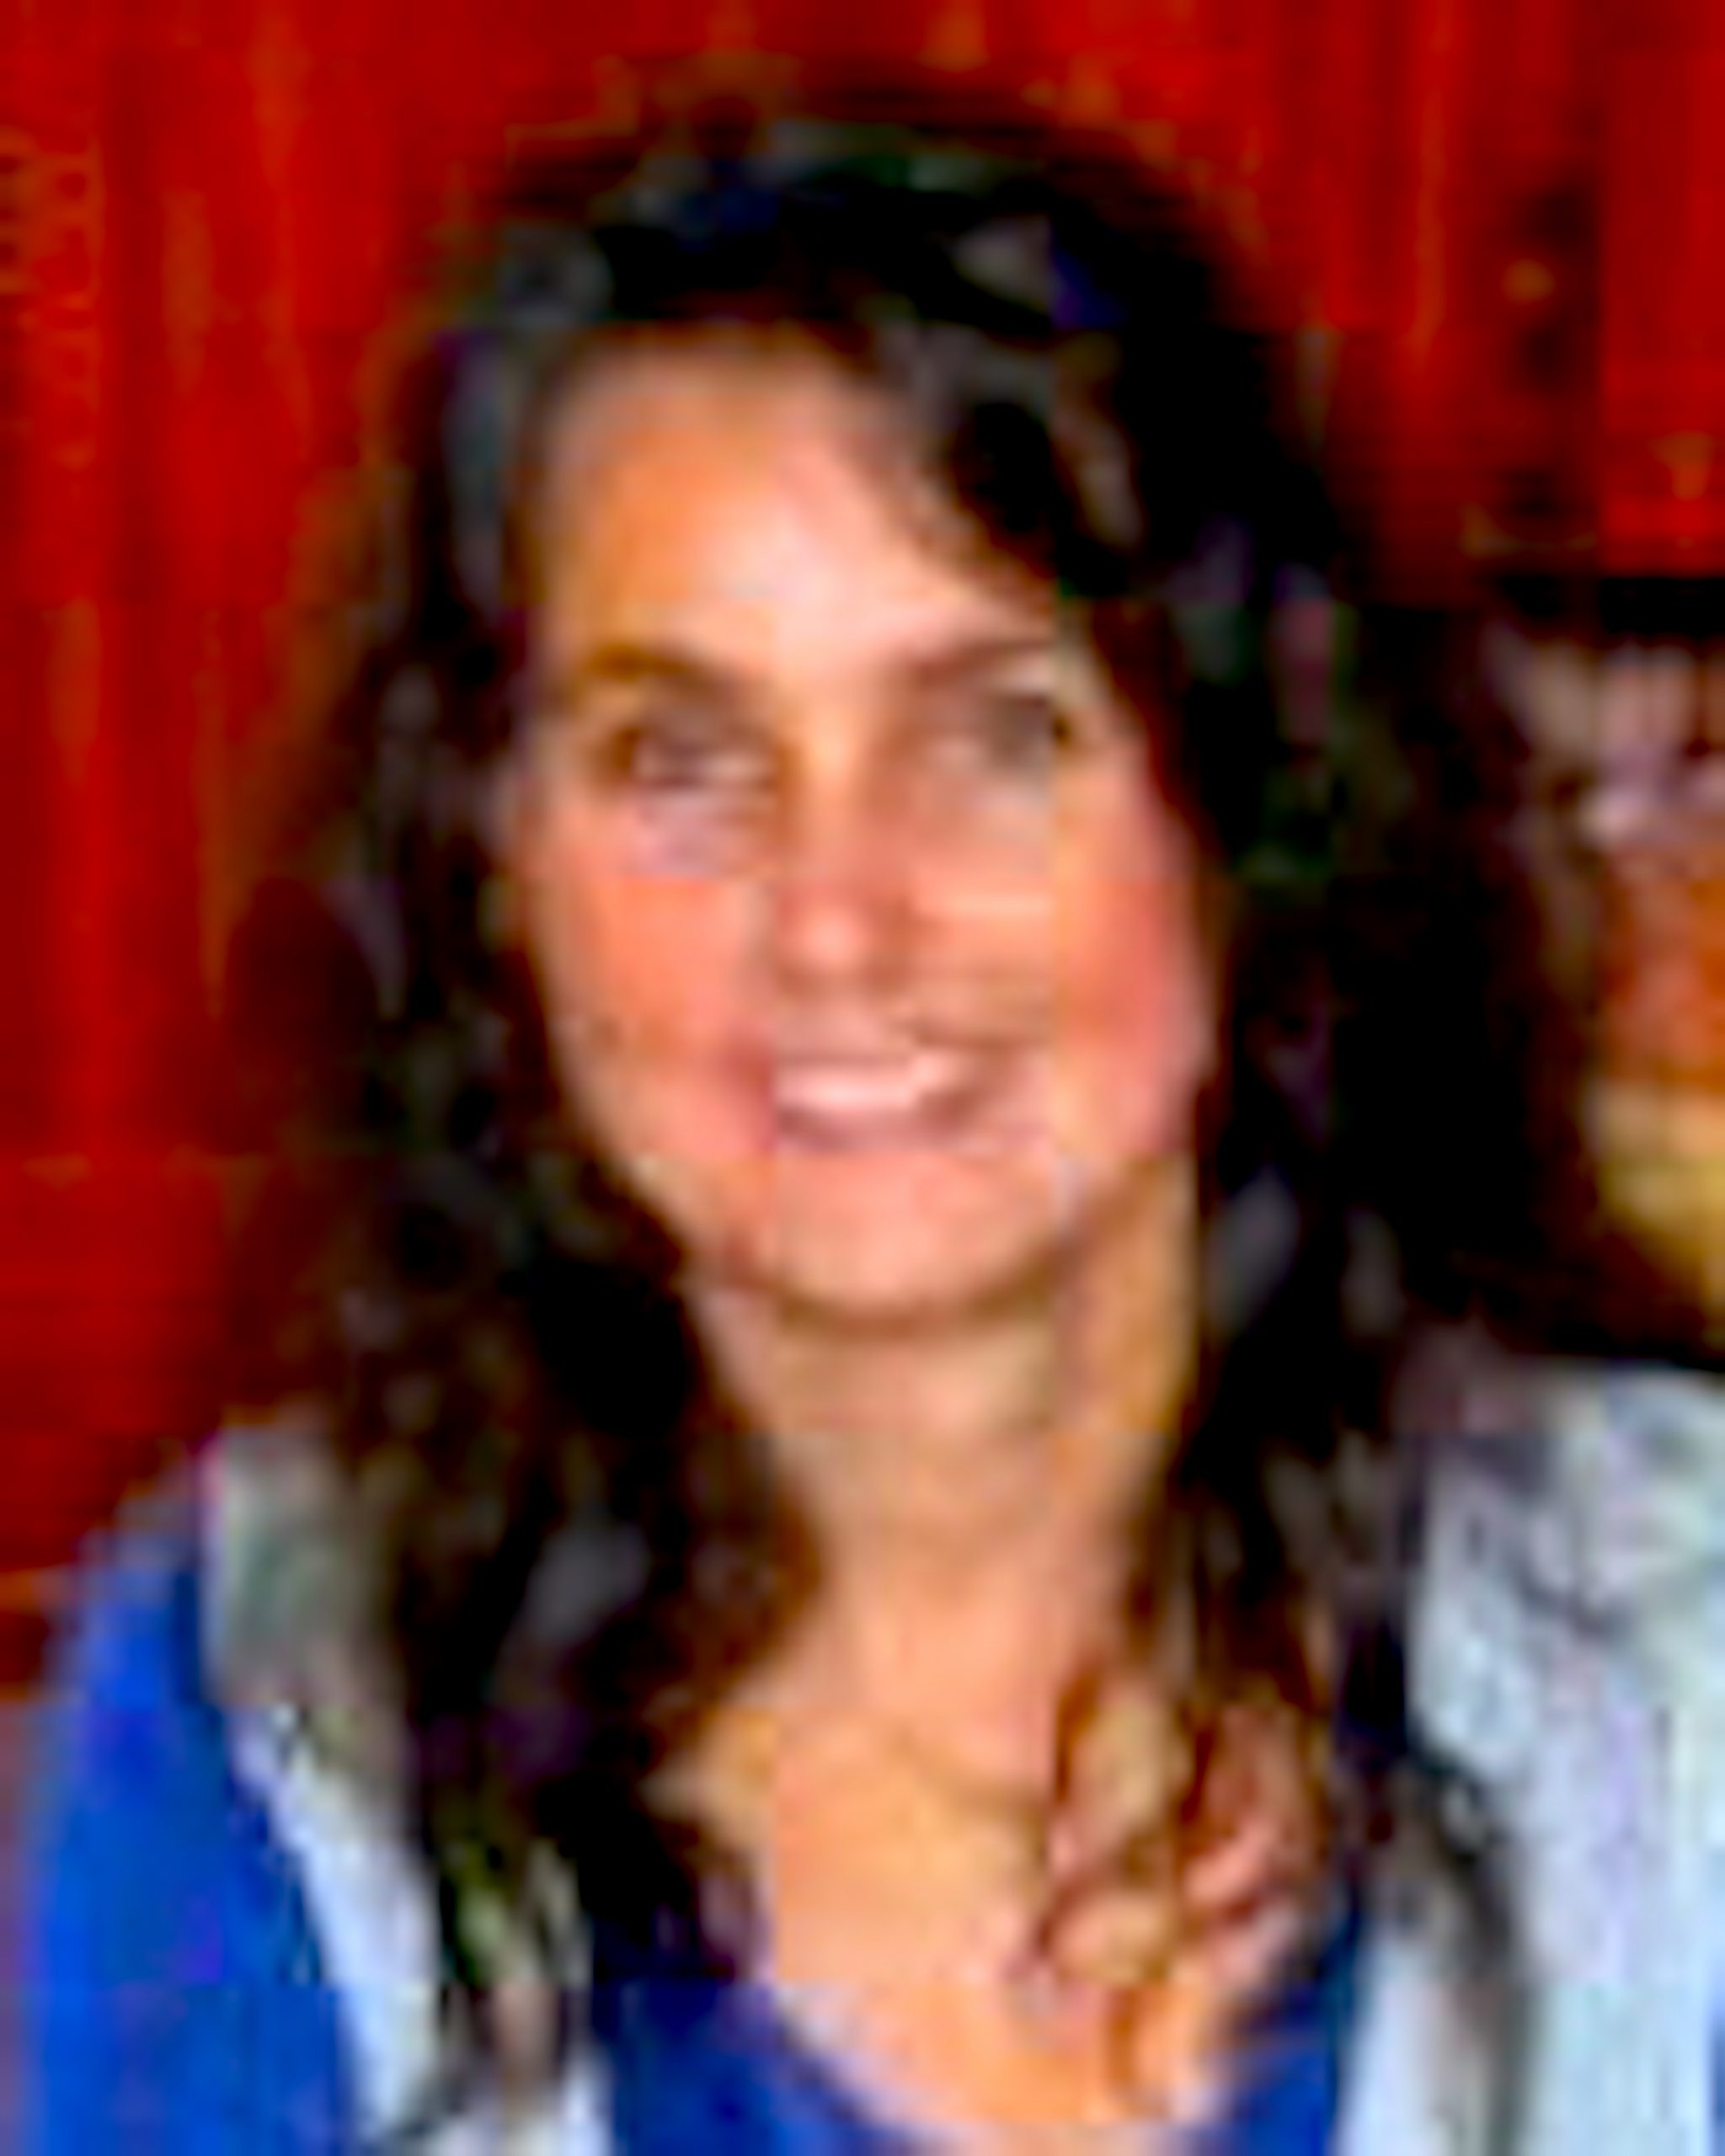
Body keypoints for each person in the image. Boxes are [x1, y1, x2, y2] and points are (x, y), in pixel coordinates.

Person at [24, 69, 1699, 2154]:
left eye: (1000, 730)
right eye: (677, 754)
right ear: (490, 861)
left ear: (1249, 810)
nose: (836, 915)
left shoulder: (1680, 1660)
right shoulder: (267, 1700)